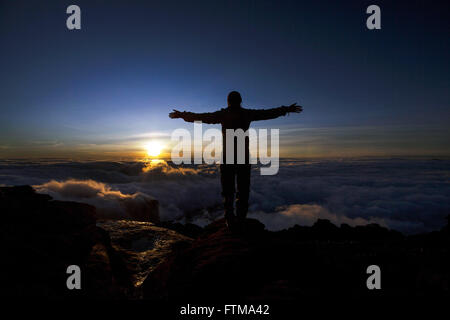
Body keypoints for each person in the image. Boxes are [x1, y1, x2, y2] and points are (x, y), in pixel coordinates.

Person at [169, 91, 302, 231]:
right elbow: (268, 113)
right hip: (243, 157)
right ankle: (241, 219)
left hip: (228, 157)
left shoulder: (223, 114)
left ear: (228, 101)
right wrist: (286, 109)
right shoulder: (247, 113)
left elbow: (202, 117)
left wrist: (183, 115)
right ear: (240, 101)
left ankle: (230, 219)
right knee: (242, 190)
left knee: (228, 191)